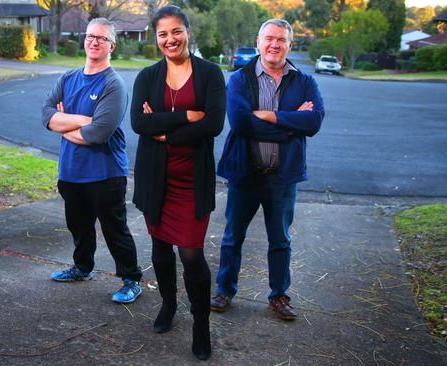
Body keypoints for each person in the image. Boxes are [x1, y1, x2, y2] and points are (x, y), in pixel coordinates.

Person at [212, 19, 325, 321]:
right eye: (269, 38)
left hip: (282, 177)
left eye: (281, 40)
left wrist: (270, 116)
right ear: (259, 41)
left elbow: (313, 122)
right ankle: (225, 290)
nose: (275, 44)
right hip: (244, 175)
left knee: (280, 240)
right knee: (232, 237)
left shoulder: (304, 82)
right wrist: (290, 124)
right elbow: (241, 122)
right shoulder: (239, 79)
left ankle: (278, 296)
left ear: (290, 44)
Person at [130, 5, 225, 361]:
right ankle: (168, 305)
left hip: (191, 181)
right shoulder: (147, 77)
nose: (170, 40)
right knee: (159, 248)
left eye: (176, 31)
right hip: (156, 178)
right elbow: (139, 123)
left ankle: (201, 325)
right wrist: (185, 116)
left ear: (187, 31)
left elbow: (213, 124)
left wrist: (166, 132)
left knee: (191, 254)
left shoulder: (210, 74)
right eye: (162, 34)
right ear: (157, 39)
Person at [42, 18, 142, 304]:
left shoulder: (114, 84)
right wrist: (79, 122)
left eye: (101, 38)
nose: (94, 41)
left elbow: (98, 133)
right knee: (78, 226)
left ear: (111, 45)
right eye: (90, 36)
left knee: (115, 230)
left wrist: (62, 124)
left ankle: (131, 279)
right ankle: (83, 267)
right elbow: (45, 115)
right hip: (71, 171)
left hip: (106, 172)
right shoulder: (67, 78)